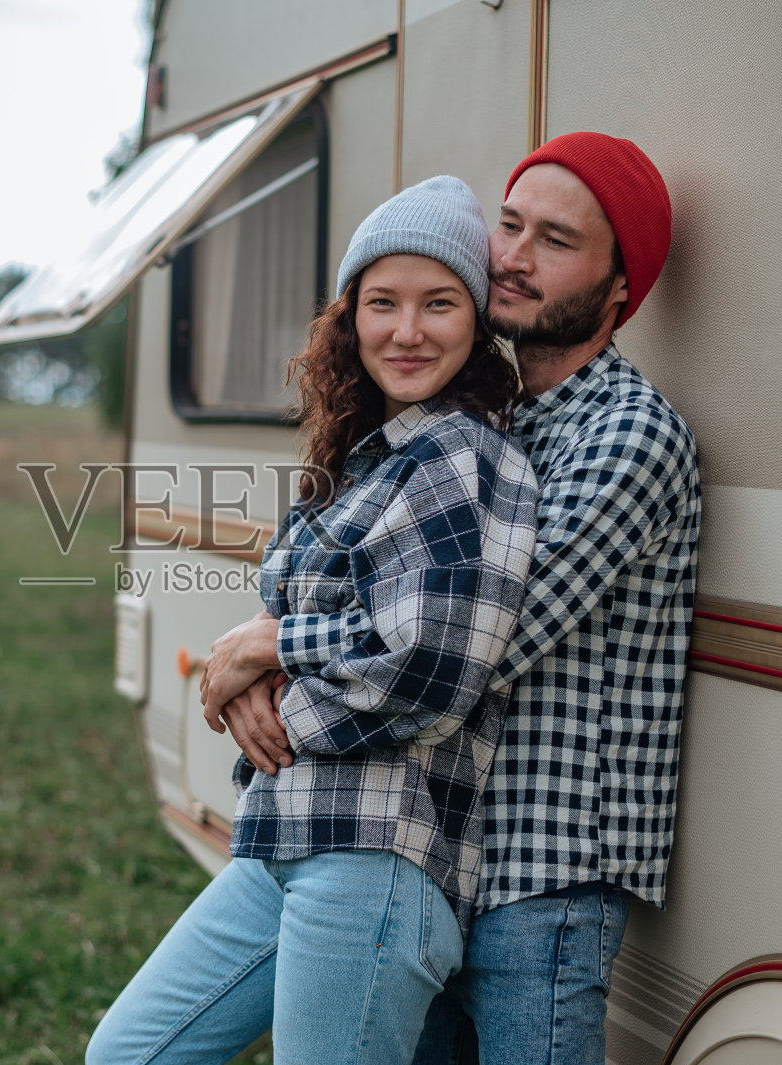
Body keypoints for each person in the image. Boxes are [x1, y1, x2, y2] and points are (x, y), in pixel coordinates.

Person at [85, 176, 539, 1065]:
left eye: (438, 303)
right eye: (383, 303)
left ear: (475, 322)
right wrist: (260, 659)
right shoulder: (365, 457)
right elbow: (291, 613)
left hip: (373, 856)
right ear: (350, 318)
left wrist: (270, 658)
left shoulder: (461, 456)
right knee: (129, 1052)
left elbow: (426, 671)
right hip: (288, 831)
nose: (407, 330)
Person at [405, 133, 703, 1065]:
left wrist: (274, 649)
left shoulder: (633, 436)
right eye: (509, 224)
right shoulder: (484, 417)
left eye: (556, 240)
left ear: (621, 288)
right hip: (438, 858)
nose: (515, 257)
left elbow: (481, 640)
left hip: (545, 883)